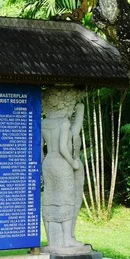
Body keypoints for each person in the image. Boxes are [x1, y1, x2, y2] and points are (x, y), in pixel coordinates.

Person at [41, 88, 85, 249]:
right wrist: (73, 162)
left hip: (48, 162)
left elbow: (39, 149)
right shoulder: (64, 123)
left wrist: (41, 164)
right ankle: (67, 238)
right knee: (67, 199)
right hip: (61, 162)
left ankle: (52, 240)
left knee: (50, 198)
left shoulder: (43, 123)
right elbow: (63, 147)